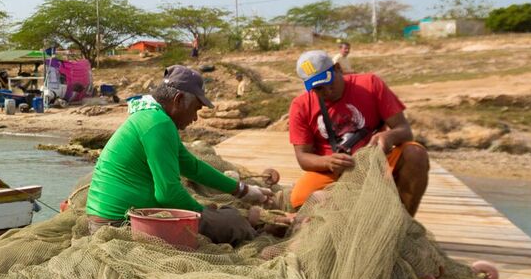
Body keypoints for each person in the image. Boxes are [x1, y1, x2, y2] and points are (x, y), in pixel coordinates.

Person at [84, 66, 255, 243]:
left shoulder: (152, 116)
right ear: (179, 100)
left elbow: (193, 167)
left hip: (111, 220)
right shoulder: (159, 124)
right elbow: (168, 194)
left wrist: (242, 190)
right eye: (196, 108)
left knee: (225, 213)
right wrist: (202, 213)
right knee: (233, 223)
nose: (195, 118)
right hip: (120, 225)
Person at [286, 48, 429, 215]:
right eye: (318, 89)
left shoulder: (370, 84)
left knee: (416, 154)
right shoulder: (300, 105)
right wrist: (328, 162)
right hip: (333, 171)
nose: (326, 92)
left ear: (338, 69)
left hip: (376, 164)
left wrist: (388, 136)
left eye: (329, 83)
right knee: (300, 200)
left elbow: (405, 130)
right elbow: (303, 157)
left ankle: (404, 219)